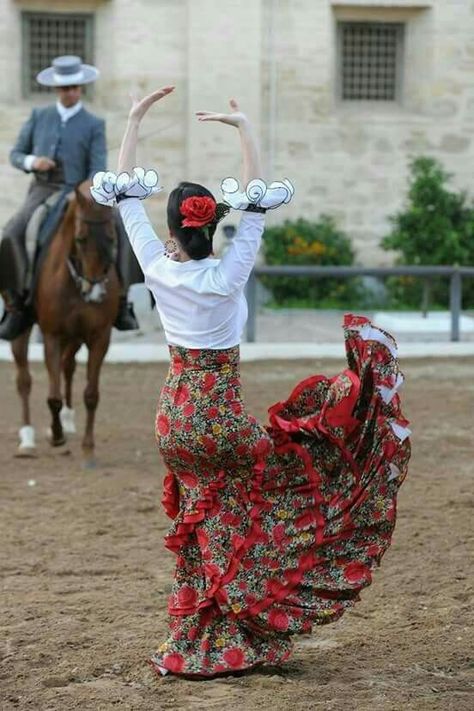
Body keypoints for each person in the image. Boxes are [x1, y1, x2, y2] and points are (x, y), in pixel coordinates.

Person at [91, 87, 411, 679]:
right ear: (213, 225)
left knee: (203, 523)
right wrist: (244, 129)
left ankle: (195, 634)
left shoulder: (157, 267)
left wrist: (134, 117)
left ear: (173, 226)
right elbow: (256, 208)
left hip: (172, 419)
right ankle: (245, 617)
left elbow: (126, 191)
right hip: (220, 421)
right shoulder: (228, 276)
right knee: (287, 480)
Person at [0, 54, 139, 341]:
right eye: (65, 88)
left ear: (81, 88)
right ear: (57, 90)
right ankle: (15, 304)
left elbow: (98, 168)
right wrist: (32, 162)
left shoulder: (93, 123)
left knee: (120, 229)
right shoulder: (40, 117)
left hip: (82, 193)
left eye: (75, 87)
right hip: (43, 191)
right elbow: (15, 154)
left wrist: (84, 193)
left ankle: (123, 301)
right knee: (12, 232)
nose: (71, 92)